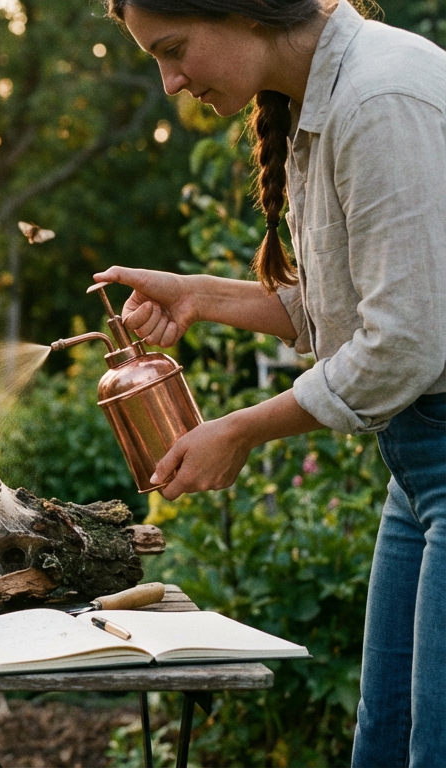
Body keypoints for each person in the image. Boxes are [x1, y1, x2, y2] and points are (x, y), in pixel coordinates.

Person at [96, 0, 446, 764]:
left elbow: (407, 342)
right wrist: (198, 294)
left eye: (174, 49)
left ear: (243, 9)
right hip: (419, 464)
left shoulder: (380, 96)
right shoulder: (321, 103)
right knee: (385, 742)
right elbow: (346, 309)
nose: (170, 82)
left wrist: (240, 429)